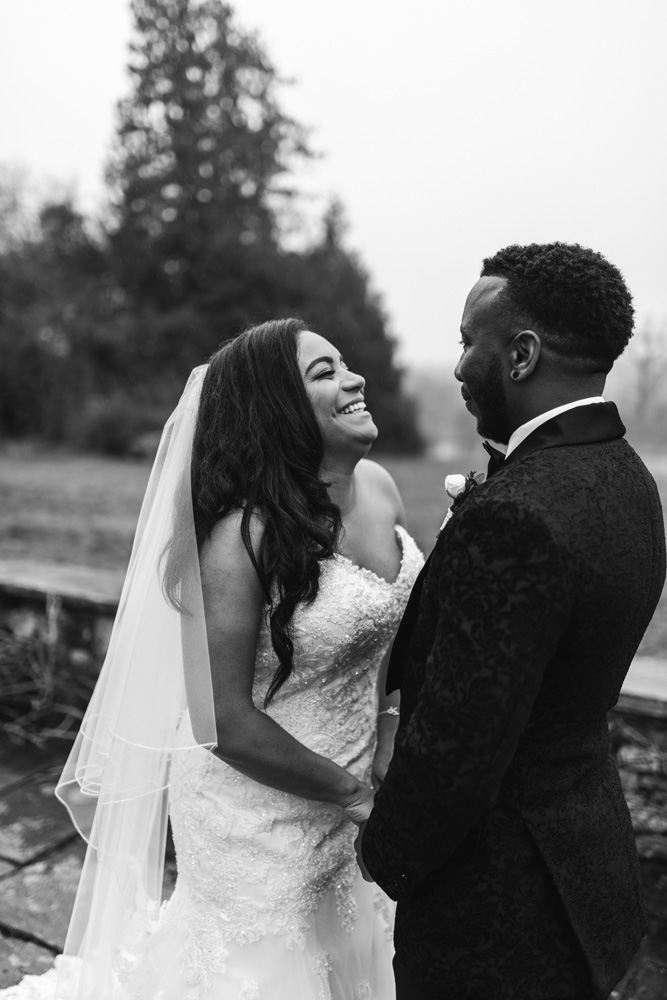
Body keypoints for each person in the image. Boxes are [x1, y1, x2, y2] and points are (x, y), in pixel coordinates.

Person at [3, 318, 423, 1000]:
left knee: (352, 951)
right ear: (278, 407)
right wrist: (352, 793)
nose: (354, 380)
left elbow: (398, 628)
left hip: (355, 779)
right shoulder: (240, 539)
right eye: (324, 373)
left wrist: (390, 722)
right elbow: (221, 719)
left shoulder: (378, 487)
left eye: (345, 365)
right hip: (253, 804)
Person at [359, 243, 667, 1000]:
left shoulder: (516, 514)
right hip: (583, 863)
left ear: (521, 354)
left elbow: (458, 744)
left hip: (496, 909)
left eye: (470, 342)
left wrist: (381, 854)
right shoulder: (629, 478)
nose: (460, 364)